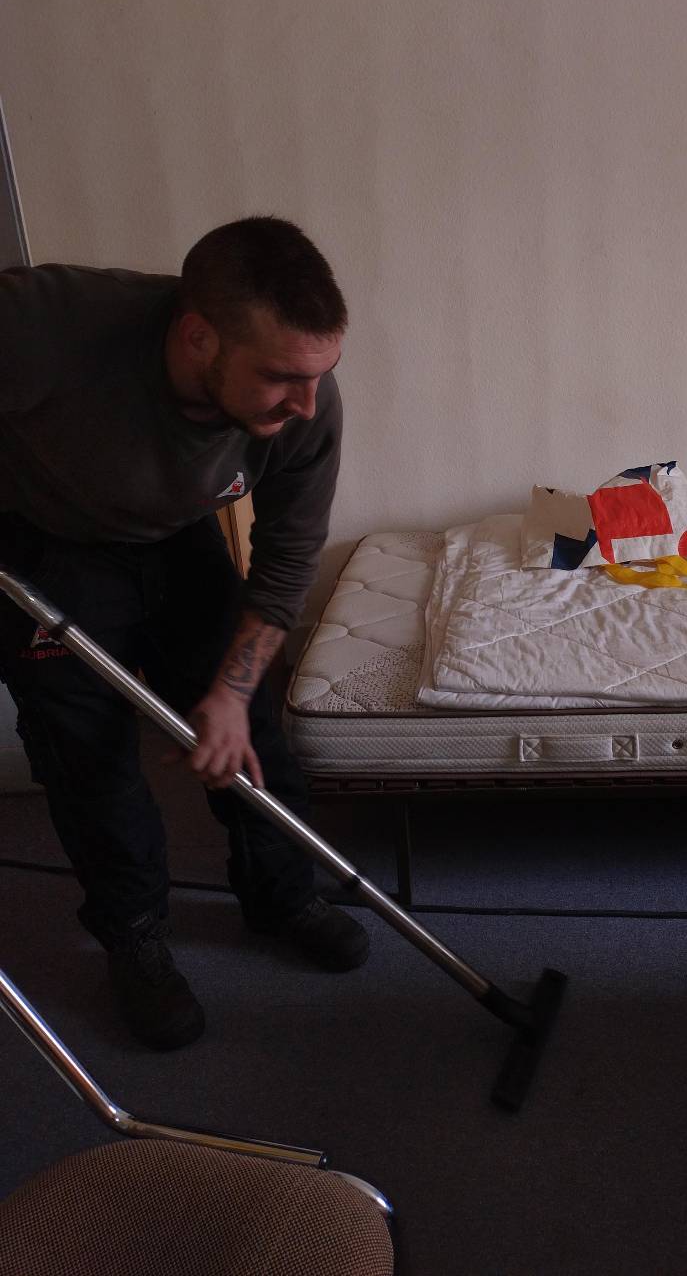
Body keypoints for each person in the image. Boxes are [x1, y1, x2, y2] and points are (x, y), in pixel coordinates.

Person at [0, 216, 370, 1051]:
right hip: (44, 546)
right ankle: (134, 934)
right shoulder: (48, 326)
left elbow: (286, 558)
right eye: (281, 377)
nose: (307, 403)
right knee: (87, 756)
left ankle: (282, 894)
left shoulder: (306, 405)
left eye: (321, 375)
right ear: (199, 336)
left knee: (252, 729)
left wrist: (230, 695)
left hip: (176, 538)